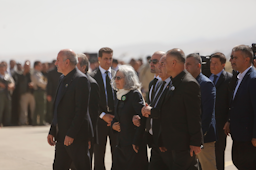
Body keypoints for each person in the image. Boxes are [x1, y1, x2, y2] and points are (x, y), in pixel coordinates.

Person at [142, 48, 203, 170]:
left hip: (182, 145)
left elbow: (194, 115)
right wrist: (161, 141)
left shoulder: (188, 83)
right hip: (171, 144)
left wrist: (196, 142)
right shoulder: (172, 82)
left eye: (165, 62)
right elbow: (166, 112)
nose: (161, 66)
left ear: (173, 63)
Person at [47, 49, 93, 170]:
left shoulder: (81, 80)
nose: (56, 63)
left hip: (76, 137)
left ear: (67, 62)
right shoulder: (62, 78)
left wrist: (71, 134)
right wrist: (53, 130)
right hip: (62, 136)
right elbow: (58, 106)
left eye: (58, 60)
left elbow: (81, 111)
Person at [223, 45, 256, 169]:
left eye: (235, 58)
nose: (231, 61)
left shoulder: (253, 79)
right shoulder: (239, 78)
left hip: (248, 138)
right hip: (239, 135)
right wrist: (229, 121)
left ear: (246, 59)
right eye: (231, 57)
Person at [111, 65, 148, 170]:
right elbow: (117, 116)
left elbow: (142, 117)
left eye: (119, 78)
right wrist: (113, 125)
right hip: (121, 145)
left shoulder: (134, 94)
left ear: (128, 79)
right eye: (115, 77)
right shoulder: (120, 94)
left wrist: (136, 142)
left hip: (132, 146)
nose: (116, 80)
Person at [185, 53, 217, 170]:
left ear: (198, 66)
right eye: (185, 64)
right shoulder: (187, 84)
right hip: (191, 138)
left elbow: (207, 114)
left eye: (188, 64)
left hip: (204, 139)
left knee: (208, 167)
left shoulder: (205, 84)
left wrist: (199, 137)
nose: (185, 67)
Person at [90, 47, 117, 170]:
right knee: (99, 156)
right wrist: (102, 116)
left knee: (117, 156)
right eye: (105, 59)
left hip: (116, 121)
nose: (108, 61)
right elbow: (90, 103)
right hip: (99, 121)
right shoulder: (91, 77)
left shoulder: (118, 76)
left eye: (110, 58)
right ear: (99, 59)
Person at [209, 52, 232, 170]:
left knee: (218, 155)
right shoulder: (206, 77)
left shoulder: (229, 79)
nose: (212, 66)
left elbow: (232, 103)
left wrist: (228, 120)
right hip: (206, 123)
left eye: (215, 63)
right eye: (211, 63)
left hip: (220, 125)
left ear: (223, 65)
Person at [77, 53, 100, 166]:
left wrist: (89, 137)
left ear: (83, 67)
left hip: (84, 136)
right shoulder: (67, 81)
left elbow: (92, 114)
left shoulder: (92, 84)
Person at [18, 60, 35, 125]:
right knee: (23, 110)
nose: (26, 67)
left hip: (32, 94)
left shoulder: (32, 74)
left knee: (33, 109)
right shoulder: (20, 74)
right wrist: (24, 73)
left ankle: (33, 121)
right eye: (25, 66)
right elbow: (19, 83)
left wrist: (33, 84)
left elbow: (35, 81)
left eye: (28, 66)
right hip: (24, 94)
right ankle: (23, 122)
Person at [31, 61, 47, 125]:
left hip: (40, 91)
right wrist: (46, 84)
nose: (41, 67)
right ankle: (41, 121)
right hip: (39, 91)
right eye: (40, 65)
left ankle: (36, 122)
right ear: (36, 66)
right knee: (41, 107)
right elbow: (41, 83)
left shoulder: (39, 73)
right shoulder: (35, 74)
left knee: (38, 107)